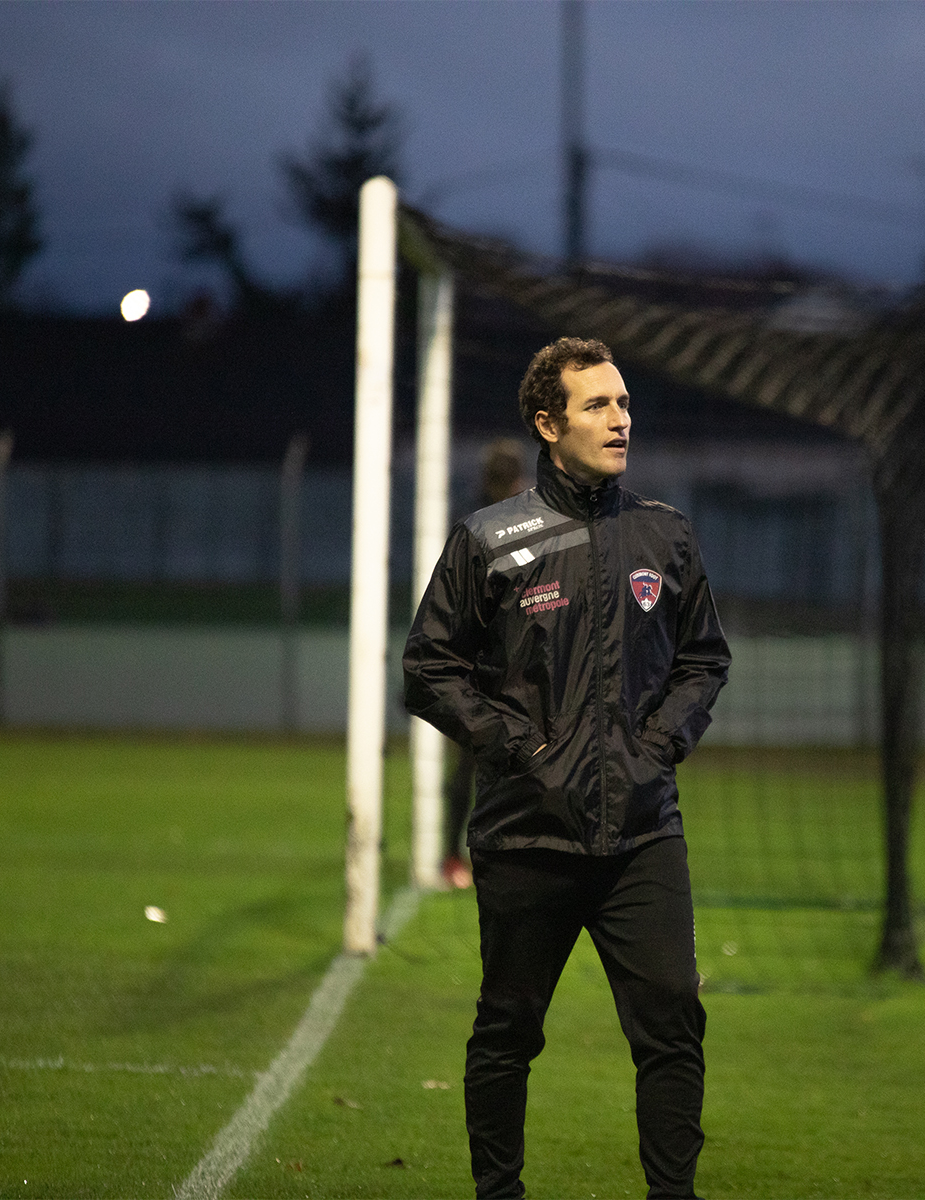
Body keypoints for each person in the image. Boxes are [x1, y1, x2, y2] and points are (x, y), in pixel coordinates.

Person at [403, 336, 731, 1199]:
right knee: (507, 1030)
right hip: (524, 836)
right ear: (549, 424)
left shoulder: (666, 534)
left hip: (641, 837)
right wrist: (514, 747)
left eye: (623, 402)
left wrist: (658, 746)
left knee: (673, 1024)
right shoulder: (489, 540)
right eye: (598, 405)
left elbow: (705, 661)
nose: (620, 419)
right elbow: (427, 668)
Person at [440, 437, 531, 891]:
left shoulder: (478, 522)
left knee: (478, 763)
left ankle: (458, 855)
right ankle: (460, 854)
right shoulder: (483, 525)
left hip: (494, 661)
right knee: (485, 762)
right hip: (490, 664)